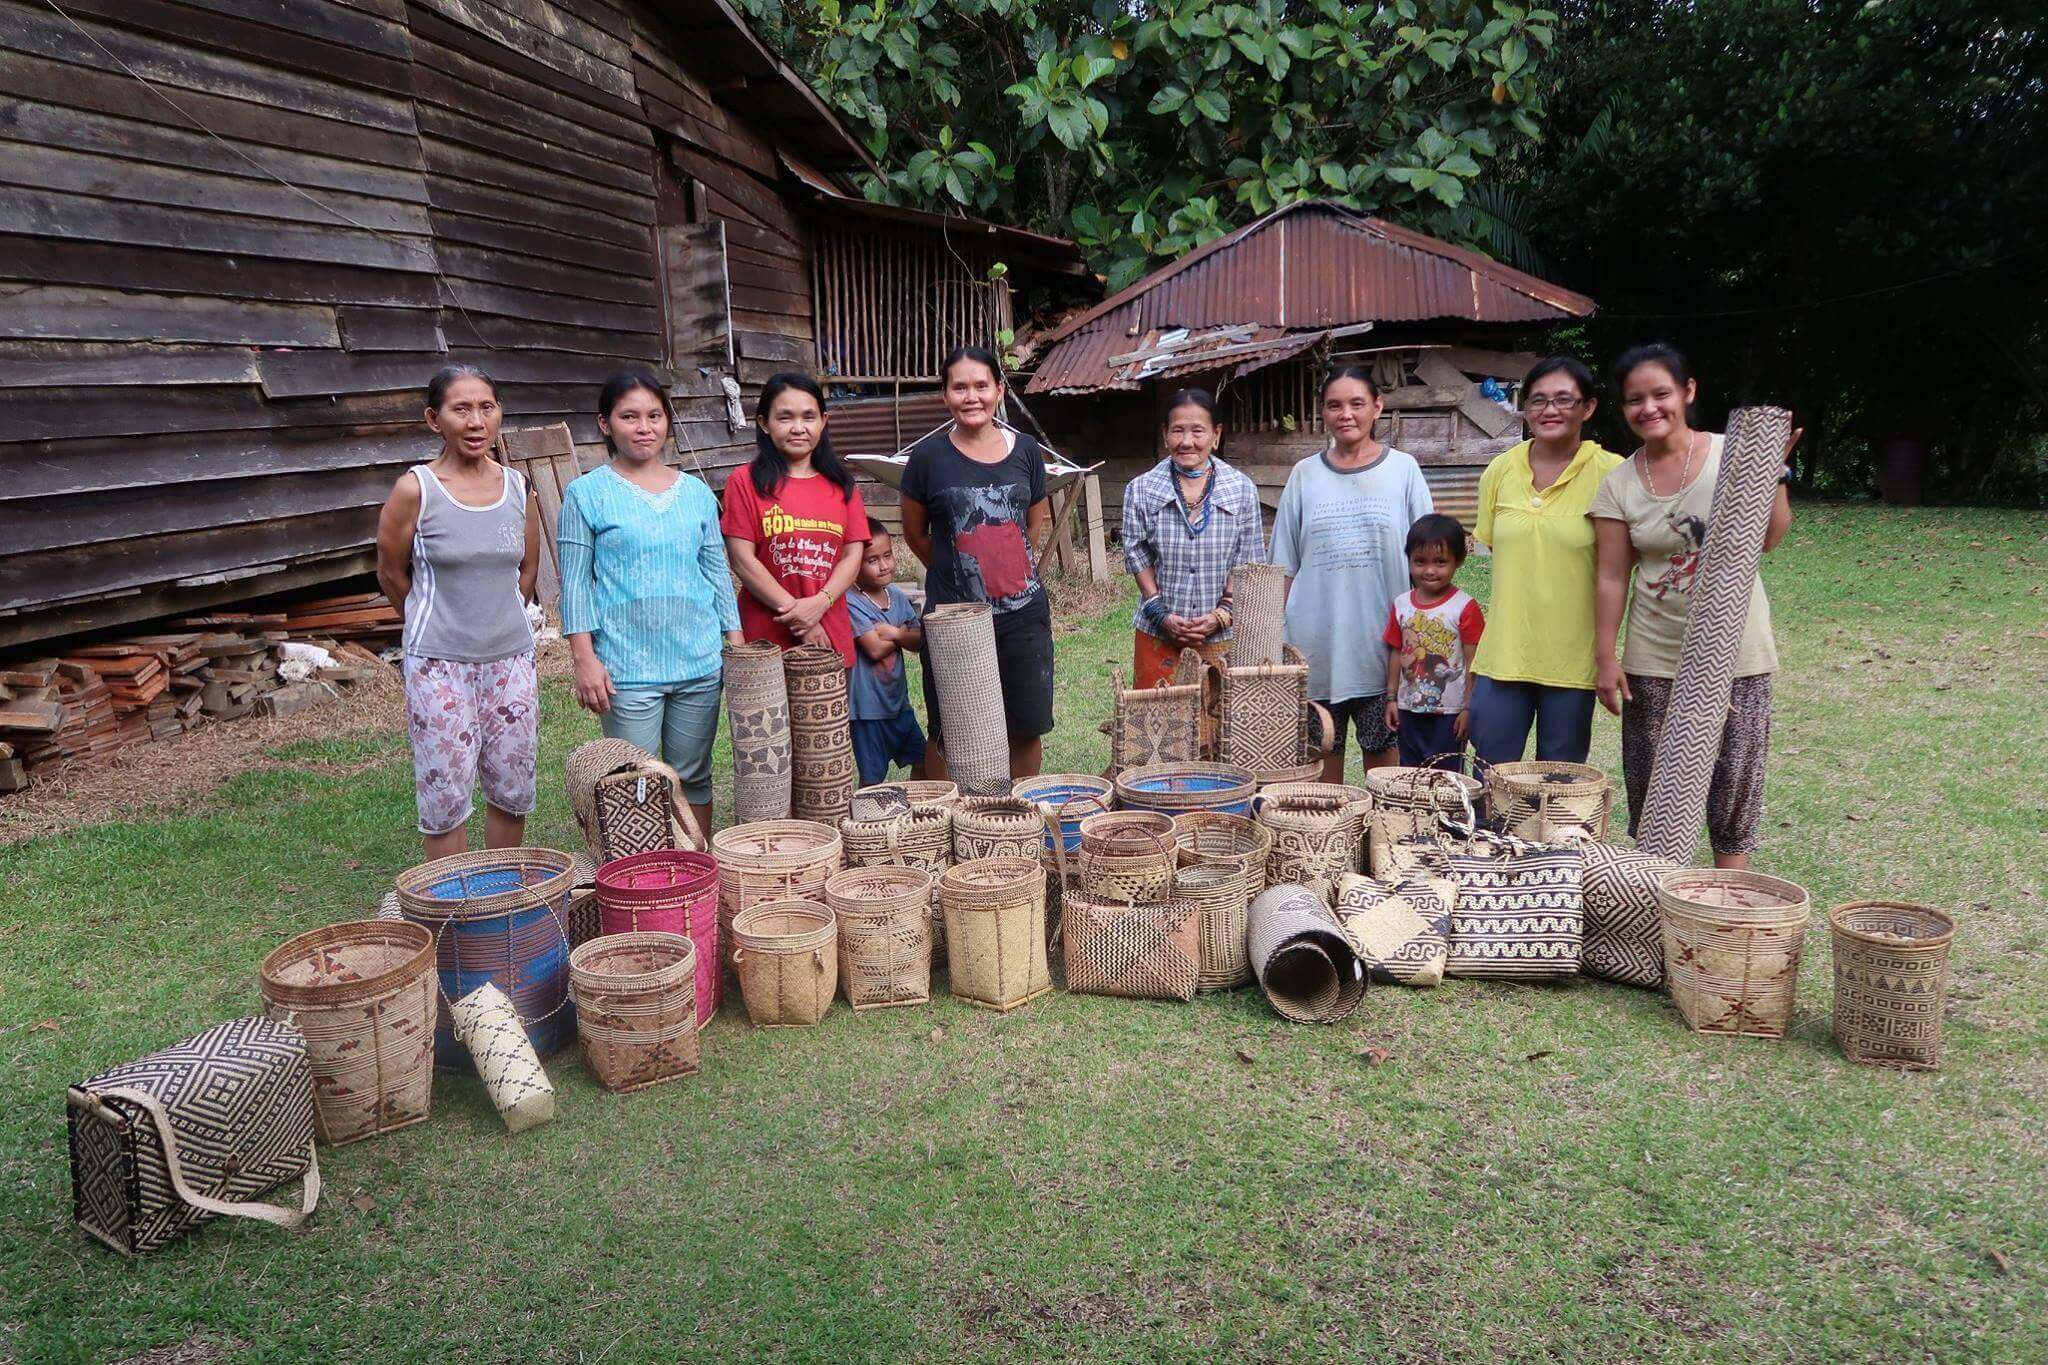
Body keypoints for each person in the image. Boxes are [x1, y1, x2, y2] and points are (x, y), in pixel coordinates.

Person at [1591, 343, 1797, 870]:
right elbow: (1613, 575)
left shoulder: (1737, 453)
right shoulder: (1618, 484)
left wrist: (1773, 475)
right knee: (1658, 787)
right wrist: (1606, 659)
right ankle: (1661, 903)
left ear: (1688, 391)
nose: (1649, 408)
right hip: (1655, 653)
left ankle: (1725, 910)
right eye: (1635, 399)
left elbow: (1768, 540)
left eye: (1661, 393)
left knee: (1735, 786)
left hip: (1738, 649)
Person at [558, 368, 743, 843]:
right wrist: (585, 659)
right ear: (605, 424)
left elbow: (717, 571)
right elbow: (575, 583)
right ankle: (646, 892)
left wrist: (734, 640)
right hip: (626, 667)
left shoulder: (696, 494)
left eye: (654, 416)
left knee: (693, 777)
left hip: (698, 661)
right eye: (630, 416)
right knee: (634, 785)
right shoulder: (586, 495)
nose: (644, 427)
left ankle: (698, 877)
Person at [375, 364, 541, 858]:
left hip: (511, 660)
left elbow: (527, 569)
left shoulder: (518, 487)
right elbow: (391, 574)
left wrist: (501, 618)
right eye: (460, 409)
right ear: (434, 419)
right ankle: (453, 909)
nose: (475, 422)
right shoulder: (416, 490)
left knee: (512, 787)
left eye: (486, 408)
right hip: (438, 665)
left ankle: (501, 897)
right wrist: (438, 621)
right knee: (445, 791)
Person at [1269, 365, 1434, 780]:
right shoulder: (1305, 475)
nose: (1346, 414)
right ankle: (1333, 843)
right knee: (1321, 768)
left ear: (1377, 407)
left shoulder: (1404, 470)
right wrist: (1273, 641)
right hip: (1314, 646)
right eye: (1334, 405)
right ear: (1323, 413)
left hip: (1384, 647)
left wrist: (1425, 634)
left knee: (1385, 767)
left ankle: (1380, 843)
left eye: (1357, 403)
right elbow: (1284, 565)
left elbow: (1430, 560)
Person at [898, 345, 1055, 780]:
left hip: (1023, 615)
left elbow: (1030, 530)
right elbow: (915, 535)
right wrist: (962, 578)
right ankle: (942, 830)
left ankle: (1017, 826)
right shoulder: (928, 458)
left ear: (999, 390)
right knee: (949, 729)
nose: (972, 397)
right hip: (953, 618)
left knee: (1025, 727)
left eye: (981, 386)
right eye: (960, 387)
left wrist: (1001, 575)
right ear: (945, 396)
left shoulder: (1026, 450)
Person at [1466, 356, 1623, 766]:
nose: (1549, 410)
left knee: (1559, 788)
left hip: (1572, 662)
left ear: (1588, 408)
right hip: (1503, 658)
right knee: (1491, 778)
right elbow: (1508, 554)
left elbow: (1617, 569)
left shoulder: (1614, 474)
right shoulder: (1500, 470)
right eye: (1537, 400)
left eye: (1563, 400)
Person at [721, 373, 869, 667]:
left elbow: (853, 555)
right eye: (785, 418)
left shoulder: (843, 486)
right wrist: (801, 617)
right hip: (764, 642)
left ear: (823, 421)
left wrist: (819, 604)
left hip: (831, 637)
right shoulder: (745, 482)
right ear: (764, 423)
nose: (798, 428)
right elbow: (742, 560)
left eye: (809, 417)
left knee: (833, 714)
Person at [1120, 388, 1264, 687]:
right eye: (1178, 431)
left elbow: (1247, 559)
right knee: (1158, 726)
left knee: (1218, 728)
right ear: (1165, 434)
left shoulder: (1241, 489)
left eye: (1198, 431)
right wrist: (1161, 613)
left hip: (1223, 636)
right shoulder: (1142, 489)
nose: (1187, 442)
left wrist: (1221, 615)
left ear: (1216, 434)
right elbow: (1135, 552)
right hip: (1158, 633)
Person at [1382, 514, 1485, 772]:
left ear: (1458, 561)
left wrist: (1468, 708)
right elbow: (1396, 652)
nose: (1429, 570)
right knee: (1409, 773)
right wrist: (1392, 698)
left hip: (1449, 714)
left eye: (1440, 562)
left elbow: (1474, 661)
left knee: (1446, 776)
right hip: (1408, 710)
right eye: (1420, 561)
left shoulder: (1464, 607)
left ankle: (1447, 815)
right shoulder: (1401, 605)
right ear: (1409, 561)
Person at [846, 517, 927, 786]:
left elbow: (918, 642)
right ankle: (868, 823)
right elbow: (874, 648)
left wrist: (894, 633)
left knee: (923, 759)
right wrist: (905, 633)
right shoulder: (851, 601)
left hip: (898, 705)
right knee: (872, 778)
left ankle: (914, 807)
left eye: (888, 555)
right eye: (872, 560)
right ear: (852, 565)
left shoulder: (897, 595)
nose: (884, 566)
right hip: (868, 712)